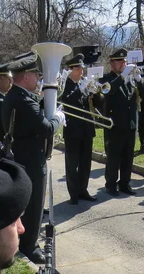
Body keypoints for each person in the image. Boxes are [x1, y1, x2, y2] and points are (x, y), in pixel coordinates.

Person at [1, 53, 64, 263]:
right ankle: (30, 246)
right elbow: (46, 128)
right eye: (36, 75)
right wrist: (58, 118)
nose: (38, 79)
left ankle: (25, 241)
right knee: (35, 204)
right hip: (31, 160)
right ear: (26, 76)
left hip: (22, 157)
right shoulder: (23, 101)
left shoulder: (15, 96)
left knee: (27, 203)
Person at [100, 48, 144, 196]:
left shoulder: (131, 78)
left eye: (124, 61)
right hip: (115, 124)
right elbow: (108, 91)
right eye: (119, 61)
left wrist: (139, 79)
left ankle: (125, 183)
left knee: (128, 156)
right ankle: (111, 185)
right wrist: (123, 76)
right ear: (112, 63)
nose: (123, 64)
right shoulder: (106, 79)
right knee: (113, 157)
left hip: (130, 122)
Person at [60, 53, 103, 204]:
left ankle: (83, 190)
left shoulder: (84, 83)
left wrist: (95, 92)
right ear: (70, 69)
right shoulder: (65, 85)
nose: (81, 70)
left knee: (86, 163)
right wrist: (82, 88)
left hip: (87, 129)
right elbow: (66, 99)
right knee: (72, 164)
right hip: (73, 129)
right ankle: (73, 194)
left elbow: (98, 104)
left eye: (82, 67)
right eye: (77, 68)